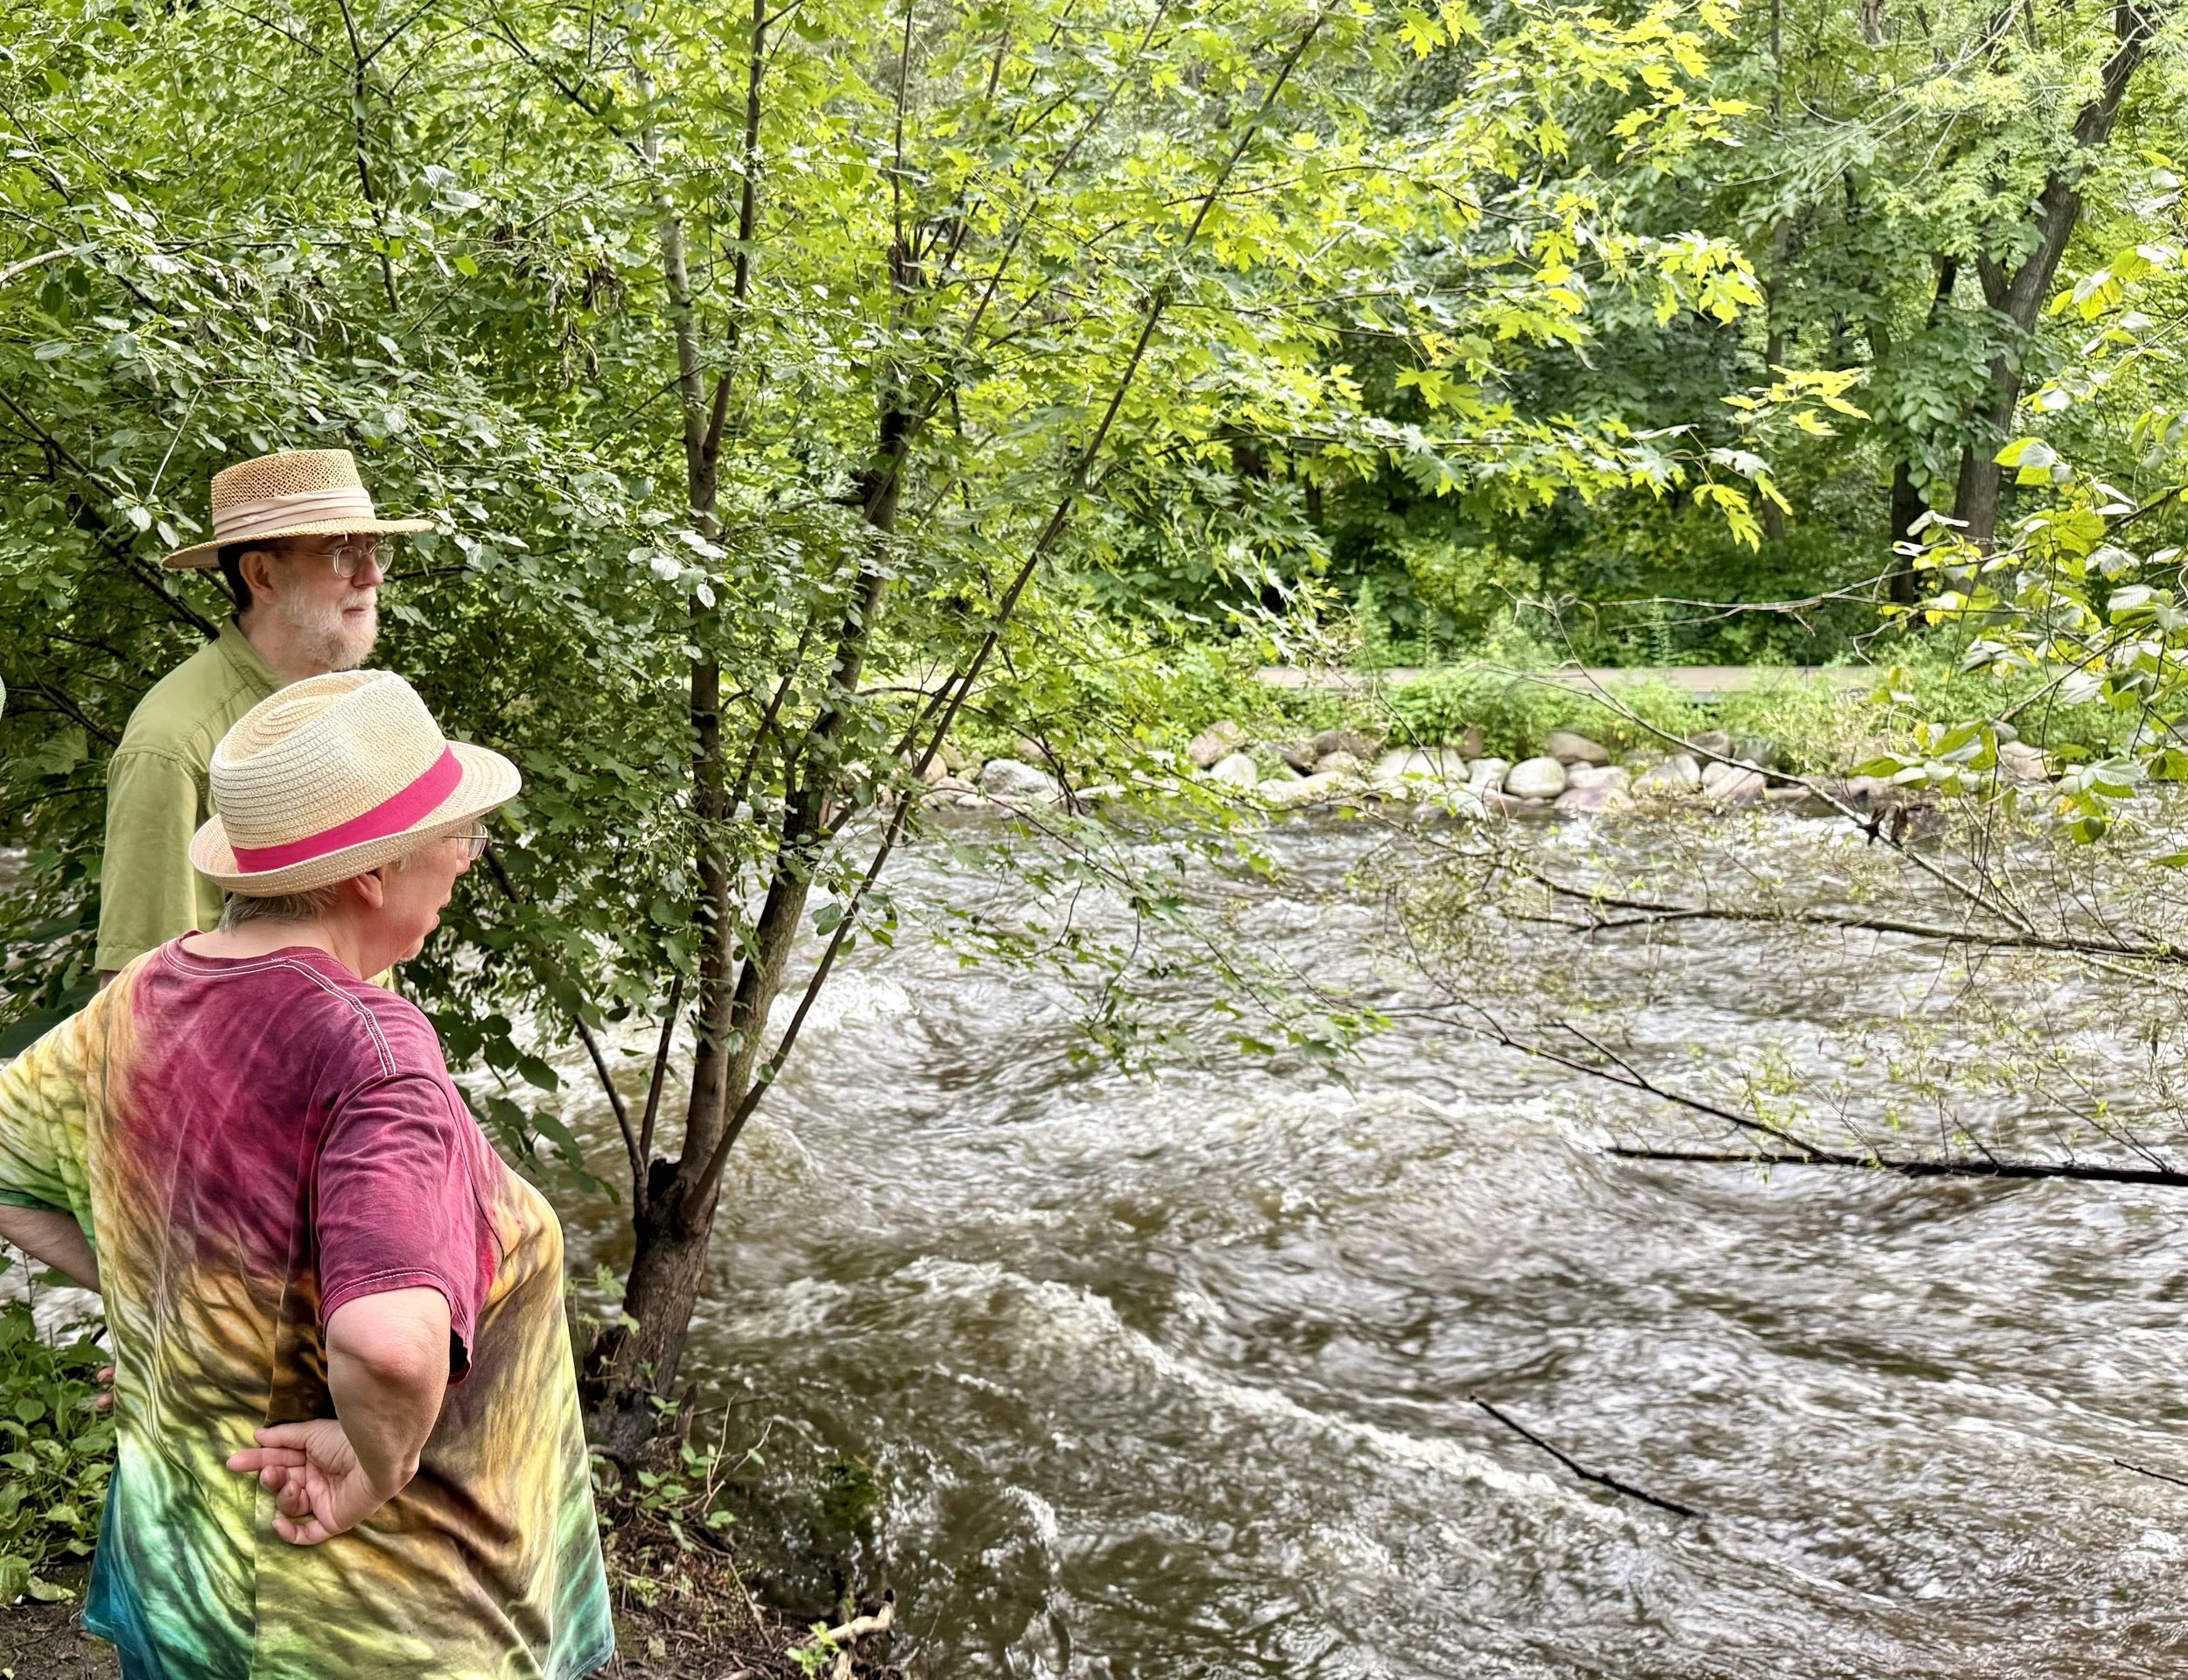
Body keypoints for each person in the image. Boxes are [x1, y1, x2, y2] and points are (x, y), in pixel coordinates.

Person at [0, 670, 614, 1678]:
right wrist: (378, 1468)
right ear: (371, 874)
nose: (466, 863)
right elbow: (389, 1349)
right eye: (458, 838)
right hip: (371, 1619)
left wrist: (168, 1322)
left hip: (184, 1579)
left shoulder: (155, 988)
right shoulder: (372, 1049)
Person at [95, 448, 431, 981]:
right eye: (343, 553)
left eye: (375, 550)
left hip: (365, 1048)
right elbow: (139, 994)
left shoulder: (352, 703)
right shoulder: (172, 742)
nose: (372, 576)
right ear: (263, 576)